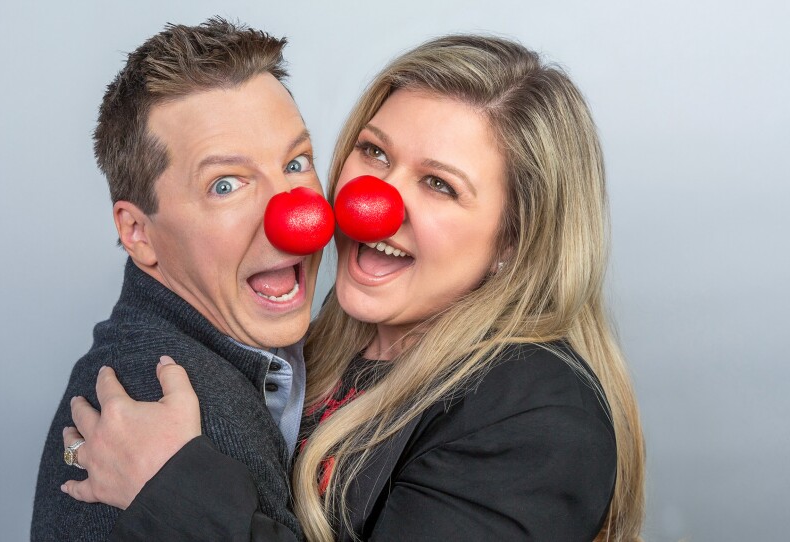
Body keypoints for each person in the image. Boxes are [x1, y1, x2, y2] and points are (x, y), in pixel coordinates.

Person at [63, 34, 646, 541]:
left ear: (513, 241)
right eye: (374, 152)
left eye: (439, 185)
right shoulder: (308, 353)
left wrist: (175, 488)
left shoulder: (535, 412)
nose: (375, 205)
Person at [32, 19, 327, 541]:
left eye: (296, 161)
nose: (293, 213)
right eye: (225, 184)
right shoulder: (183, 412)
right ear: (137, 231)